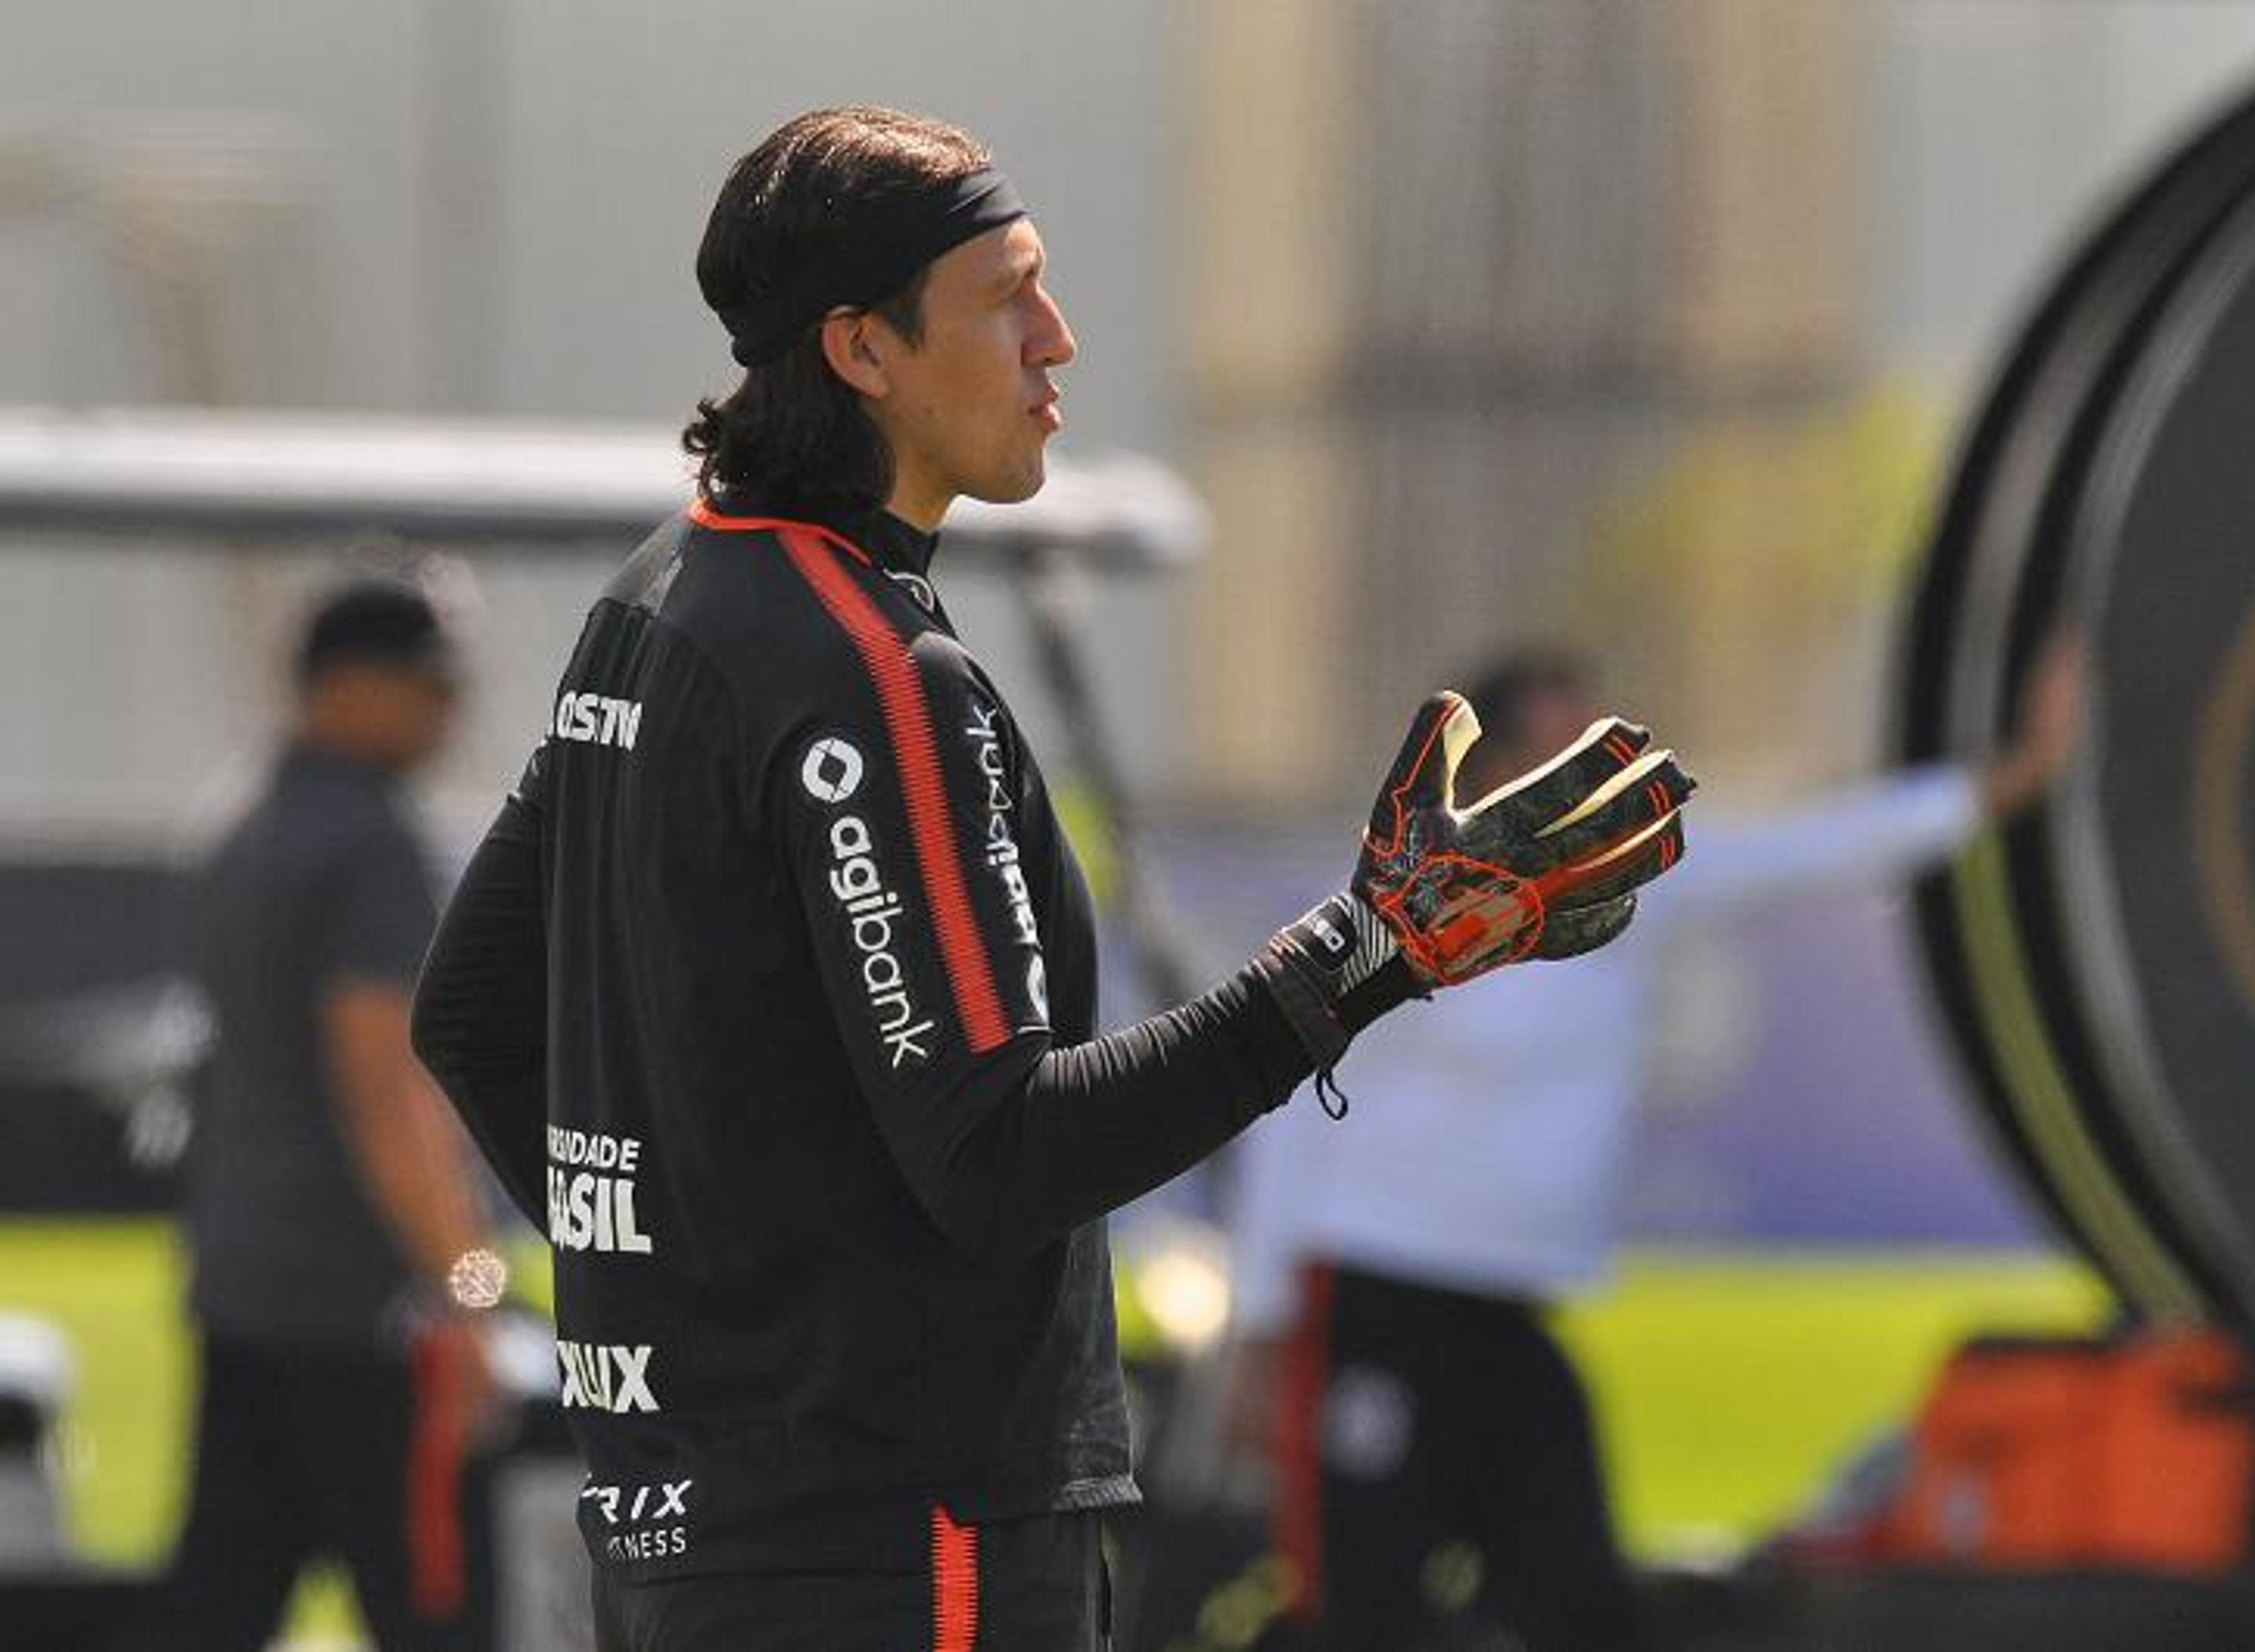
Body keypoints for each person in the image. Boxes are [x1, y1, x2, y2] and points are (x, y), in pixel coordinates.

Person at [408, 105, 1694, 1652]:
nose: (1059, 339)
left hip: (703, 1532)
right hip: (903, 1545)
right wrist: (1374, 951)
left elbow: (472, 1011)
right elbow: (999, 1153)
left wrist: (722, 1324)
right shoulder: (877, 680)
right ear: (863, 352)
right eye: (1007, 294)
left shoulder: (658, 601)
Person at [1226, 635, 2086, 1652]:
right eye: (1561, 753)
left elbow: (1828, 847)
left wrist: (2024, 772)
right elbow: (1283, 1110)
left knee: (1578, 1603)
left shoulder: (1638, 889)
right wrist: (1261, 1322)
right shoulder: (1391, 907)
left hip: (1513, 1309)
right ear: (1490, 771)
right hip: (1378, 1301)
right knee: (1360, 1611)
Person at [138, 580, 504, 1652]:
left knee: (219, 1608)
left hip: (245, 1288)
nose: (451, 714)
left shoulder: (240, 822)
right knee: (440, 1616)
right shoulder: (369, 845)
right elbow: (387, 1094)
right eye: (431, 687)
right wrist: (472, 1291)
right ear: (347, 686)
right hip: (369, 1318)